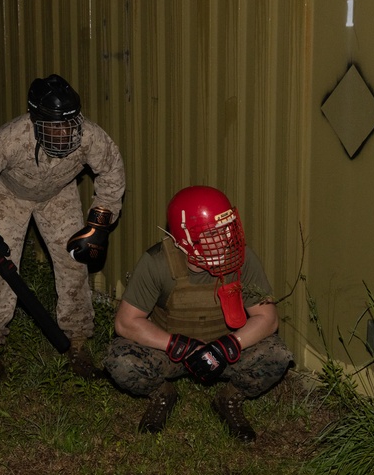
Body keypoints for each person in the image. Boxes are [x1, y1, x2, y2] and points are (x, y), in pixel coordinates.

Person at [0, 74, 126, 386]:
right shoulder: (12, 139)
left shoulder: (89, 137)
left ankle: (78, 343)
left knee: (75, 262)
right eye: (54, 127)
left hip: (58, 194)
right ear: (36, 121)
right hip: (9, 195)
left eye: (69, 125)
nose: (63, 134)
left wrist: (100, 223)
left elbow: (111, 170)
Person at [103, 185, 294, 442]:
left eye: (228, 228)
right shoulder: (157, 263)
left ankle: (229, 398)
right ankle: (162, 393)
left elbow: (268, 318)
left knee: (277, 355)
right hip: (172, 353)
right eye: (213, 233)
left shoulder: (242, 258)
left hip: (224, 353)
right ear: (185, 238)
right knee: (120, 361)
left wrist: (227, 346)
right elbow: (126, 323)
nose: (226, 239)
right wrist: (179, 346)